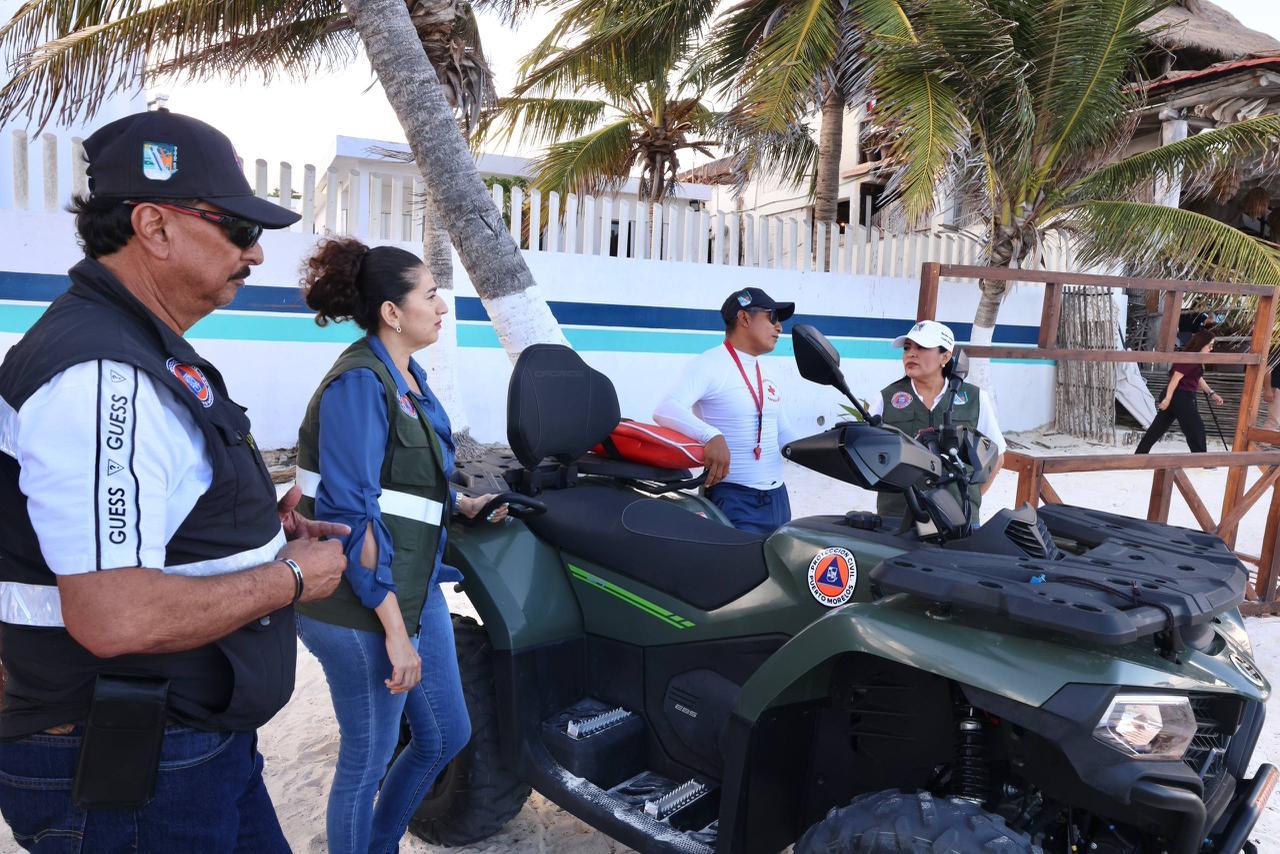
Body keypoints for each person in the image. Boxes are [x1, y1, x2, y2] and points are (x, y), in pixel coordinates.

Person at [0, 110, 348, 851]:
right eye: (237, 228)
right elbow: (116, 617)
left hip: (182, 743)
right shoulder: (103, 374)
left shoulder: (132, 345)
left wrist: (257, 534)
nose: (256, 252)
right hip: (129, 763)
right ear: (154, 227)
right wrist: (290, 577)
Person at [295, 237, 507, 854]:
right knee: (367, 758)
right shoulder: (359, 384)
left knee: (445, 736)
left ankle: (380, 844)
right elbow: (349, 514)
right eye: (431, 295)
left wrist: (460, 505)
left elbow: (404, 480)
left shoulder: (409, 377)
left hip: (411, 583)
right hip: (357, 600)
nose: (442, 307)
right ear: (392, 312)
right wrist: (394, 631)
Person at [654, 287, 799, 535]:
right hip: (734, 499)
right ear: (744, 318)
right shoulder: (709, 364)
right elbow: (665, 408)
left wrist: (822, 452)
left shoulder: (769, 371)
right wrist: (710, 435)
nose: (779, 327)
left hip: (778, 498)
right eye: (772, 317)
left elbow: (783, 431)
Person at [869, 320, 1006, 521]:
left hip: (958, 520)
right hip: (897, 518)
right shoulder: (886, 398)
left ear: (945, 356)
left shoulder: (975, 398)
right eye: (907, 348)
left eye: (921, 347)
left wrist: (967, 497)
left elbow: (997, 457)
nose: (911, 354)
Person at [1135, 330, 1223, 454]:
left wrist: (1211, 393)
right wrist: (1167, 399)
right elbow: (1175, 378)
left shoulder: (1195, 358)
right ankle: (1200, 459)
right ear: (1201, 343)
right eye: (1210, 345)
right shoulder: (1189, 358)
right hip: (1181, 397)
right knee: (1196, 429)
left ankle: (1139, 454)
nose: (1211, 349)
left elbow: (1197, 377)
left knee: (1157, 428)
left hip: (1178, 396)